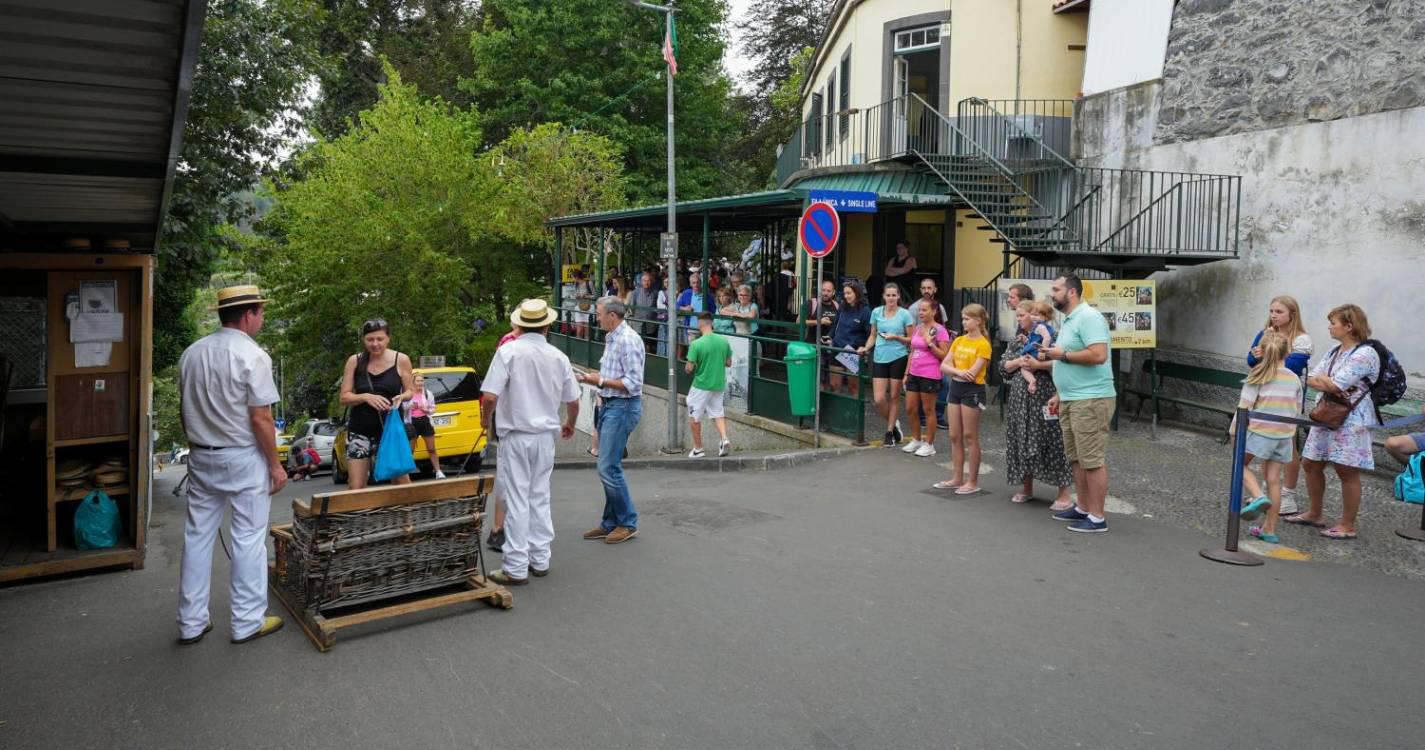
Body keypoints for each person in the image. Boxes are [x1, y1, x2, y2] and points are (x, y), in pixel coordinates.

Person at [176, 284, 286, 645]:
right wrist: (275, 464)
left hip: (201, 454)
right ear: (249, 314)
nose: (263, 319)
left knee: (197, 537)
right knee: (248, 539)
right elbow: (261, 419)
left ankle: (191, 622)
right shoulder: (253, 356)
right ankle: (247, 621)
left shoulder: (191, 354)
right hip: (242, 456)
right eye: (261, 313)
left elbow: (184, 409)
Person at [481, 299, 581, 585]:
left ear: (519, 324)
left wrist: (485, 420)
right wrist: (570, 424)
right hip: (545, 436)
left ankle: (515, 565)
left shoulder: (508, 352)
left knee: (517, 497)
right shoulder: (558, 356)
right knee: (540, 495)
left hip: (516, 434)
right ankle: (540, 558)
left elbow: (490, 396)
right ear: (547, 325)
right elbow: (573, 401)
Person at [1288, 304, 1379, 540]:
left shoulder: (1365, 353)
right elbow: (1313, 377)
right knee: (1311, 463)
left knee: (1346, 471)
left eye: (1333, 323)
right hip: (1326, 413)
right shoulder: (1334, 351)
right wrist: (1327, 381)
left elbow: (1337, 383)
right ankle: (1315, 513)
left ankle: (1347, 524)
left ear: (1349, 326)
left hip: (1352, 418)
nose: (1329, 326)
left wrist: (1327, 381)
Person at [1040, 273, 1116, 533]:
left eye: (1056, 289)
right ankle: (1083, 507)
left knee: (1091, 459)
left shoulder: (1089, 317)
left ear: (1071, 292)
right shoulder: (1070, 320)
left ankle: (1097, 517)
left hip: (1091, 398)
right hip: (1073, 398)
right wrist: (1060, 393)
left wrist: (1063, 355)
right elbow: (1065, 359)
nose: (1052, 293)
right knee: (1076, 458)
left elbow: (1098, 354)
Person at [577, 298, 644, 544]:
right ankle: (611, 522)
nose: (597, 317)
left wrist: (600, 381)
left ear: (612, 316)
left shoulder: (627, 340)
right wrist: (597, 378)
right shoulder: (614, 337)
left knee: (608, 467)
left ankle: (627, 522)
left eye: (599, 313)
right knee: (609, 466)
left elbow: (633, 384)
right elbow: (617, 376)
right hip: (611, 405)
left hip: (622, 407)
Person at [1244, 295, 1313, 515]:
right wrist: (1260, 355)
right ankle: (1266, 490)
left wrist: (1264, 355)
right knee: (1268, 445)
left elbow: (1292, 366)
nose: (1273, 315)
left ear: (1292, 314)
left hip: (1285, 396)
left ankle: (1288, 494)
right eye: (1271, 310)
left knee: (1288, 444)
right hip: (1265, 393)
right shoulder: (1265, 332)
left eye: (1279, 312)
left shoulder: (1302, 339)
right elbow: (1251, 360)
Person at [1232, 333, 1303, 545]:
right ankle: (1269, 529)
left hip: (1261, 432)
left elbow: (1244, 408)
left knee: (1239, 464)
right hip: (1284, 436)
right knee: (1274, 480)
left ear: (1261, 351)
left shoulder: (1258, 375)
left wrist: (1234, 431)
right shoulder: (1294, 378)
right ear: (1287, 353)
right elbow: (1296, 409)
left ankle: (1257, 495)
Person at [1002, 301, 1074, 509]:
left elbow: (1062, 361)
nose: (1021, 319)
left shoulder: (1053, 336)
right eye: (1018, 316)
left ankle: (1064, 493)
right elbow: (1003, 366)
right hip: (1020, 400)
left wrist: (1037, 365)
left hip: (1045, 396)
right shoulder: (1018, 340)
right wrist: (1019, 363)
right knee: (1022, 441)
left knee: (1053, 441)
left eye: (1023, 315)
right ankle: (1026, 488)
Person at [338, 319, 415, 490]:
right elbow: (344, 397)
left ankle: (405, 517)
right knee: (356, 487)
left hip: (390, 429)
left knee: (401, 483)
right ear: (363, 340)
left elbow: (411, 391)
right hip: (360, 430)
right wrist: (365, 397)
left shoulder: (401, 359)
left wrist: (401, 397)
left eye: (380, 339)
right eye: (370, 339)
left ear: (388, 338)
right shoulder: (355, 361)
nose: (375, 344)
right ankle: (363, 517)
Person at [936, 304, 993, 494]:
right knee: (954, 435)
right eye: (963, 318)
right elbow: (944, 366)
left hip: (973, 390)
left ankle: (972, 481)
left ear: (978, 321)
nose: (963, 322)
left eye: (967, 318)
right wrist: (958, 371)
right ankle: (957, 477)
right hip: (956, 388)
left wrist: (955, 371)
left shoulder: (983, 344)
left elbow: (973, 373)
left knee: (970, 435)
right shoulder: (959, 340)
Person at [862, 282, 914, 446]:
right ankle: (894, 423)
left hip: (898, 357)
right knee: (878, 399)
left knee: (894, 396)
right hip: (879, 356)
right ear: (884, 297)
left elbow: (912, 339)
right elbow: (873, 335)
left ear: (898, 296)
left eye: (894, 295)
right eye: (888, 295)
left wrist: (896, 337)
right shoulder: (876, 312)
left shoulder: (905, 314)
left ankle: (889, 431)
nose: (891, 298)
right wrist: (866, 347)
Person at [487, 328, 522, 552]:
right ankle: (500, 528)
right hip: (514, 420)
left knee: (510, 479)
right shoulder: (509, 343)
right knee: (511, 480)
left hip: (513, 420)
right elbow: (495, 390)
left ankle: (501, 528)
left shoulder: (510, 343)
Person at [901, 299, 950, 458]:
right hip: (914, 373)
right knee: (910, 408)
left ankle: (929, 444)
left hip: (930, 374)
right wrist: (906, 373)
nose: (921, 313)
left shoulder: (940, 330)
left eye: (924, 310)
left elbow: (944, 355)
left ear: (934, 312)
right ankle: (916, 439)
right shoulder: (918, 328)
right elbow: (913, 351)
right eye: (920, 310)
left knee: (929, 409)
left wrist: (930, 344)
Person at [685, 313, 733, 458]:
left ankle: (698, 448)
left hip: (701, 384)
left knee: (694, 415)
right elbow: (729, 362)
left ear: (700, 324)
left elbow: (689, 368)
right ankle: (724, 438)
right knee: (717, 412)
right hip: (718, 383)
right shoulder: (723, 341)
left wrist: (691, 364)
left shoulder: (696, 344)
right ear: (711, 323)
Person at [829, 281, 872, 396]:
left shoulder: (865, 311)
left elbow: (871, 333)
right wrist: (829, 337)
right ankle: (837, 412)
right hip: (837, 348)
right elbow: (835, 325)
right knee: (834, 385)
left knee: (853, 387)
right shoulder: (842, 307)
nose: (846, 296)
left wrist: (866, 348)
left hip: (852, 351)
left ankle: (855, 413)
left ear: (857, 293)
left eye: (849, 293)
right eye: (845, 293)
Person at [406, 372, 444, 479]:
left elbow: (433, 409)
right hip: (412, 423)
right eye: (418, 381)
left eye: (422, 381)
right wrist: (410, 407)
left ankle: (438, 471)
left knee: (432, 449)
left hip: (425, 422)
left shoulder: (427, 393)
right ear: (413, 382)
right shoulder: (408, 394)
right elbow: (402, 408)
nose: (420, 383)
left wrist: (426, 409)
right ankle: (406, 474)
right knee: (410, 450)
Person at [1019, 300, 1057, 394]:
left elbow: (1047, 338)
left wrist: (1042, 351)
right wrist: (1026, 341)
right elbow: (1035, 340)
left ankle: (1032, 381)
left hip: (1038, 352)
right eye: (1032, 314)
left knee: (1024, 368)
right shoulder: (1042, 326)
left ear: (1045, 317)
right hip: (1040, 349)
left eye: (1037, 315)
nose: (1034, 317)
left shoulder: (1040, 327)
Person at [676, 272, 713, 360]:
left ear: (701, 283)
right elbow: (676, 306)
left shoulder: (707, 295)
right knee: (693, 352)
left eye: (697, 282)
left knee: (704, 352)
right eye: (693, 283)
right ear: (690, 284)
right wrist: (684, 308)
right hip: (692, 328)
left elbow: (713, 310)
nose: (696, 285)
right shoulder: (687, 293)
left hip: (705, 329)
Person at [631, 270, 667, 353]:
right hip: (638, 324)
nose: (647, 283)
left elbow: (657, 307)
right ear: (641, 281)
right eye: (645, 281)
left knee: (649, 346)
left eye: (649, 281)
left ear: (652, 282)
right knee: (637, 345)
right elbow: (631, 308)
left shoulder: (655, 293)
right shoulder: (635, 293)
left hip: (651, 324)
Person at [571, 268, 595, 339]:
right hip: (579, 307)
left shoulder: (589, 283)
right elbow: (573, 295)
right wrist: (575, 296)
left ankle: (587, 347)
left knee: (587, 331)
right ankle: (578, 347)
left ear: (577, 277)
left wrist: (586, 296)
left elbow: (595, 295)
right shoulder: (576, 285)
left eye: (573, 277)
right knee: (579, 330)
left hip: (589, 307)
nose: (572, 279)